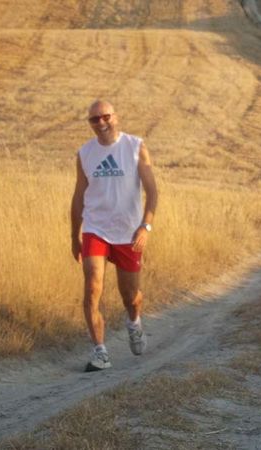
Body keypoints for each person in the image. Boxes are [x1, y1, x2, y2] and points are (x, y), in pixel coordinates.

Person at [71, 100, 158, 372]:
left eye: (104, 117)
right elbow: (78, 196)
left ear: (115, 118)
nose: (100, 123)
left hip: (128, 231)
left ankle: (134, 323)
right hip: (96, 229)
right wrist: (75, 234)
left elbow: (153, 192)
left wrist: (145, 226)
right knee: (92, 284)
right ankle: (100, 352)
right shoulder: (85, 153)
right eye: (94, 120)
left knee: (130, 296)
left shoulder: (135, 147)